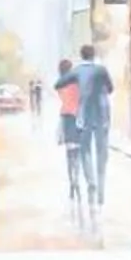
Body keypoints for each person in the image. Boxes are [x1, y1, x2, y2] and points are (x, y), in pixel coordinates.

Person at [66, 42, 116, 206]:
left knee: (85, 149)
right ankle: (101, 190)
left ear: (82, 55)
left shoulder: (77, 71)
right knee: (102, 153)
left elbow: (67, 87)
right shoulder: (101, 70)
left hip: (85, 115)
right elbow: (110, 89)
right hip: (102, 115)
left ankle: (91, 181)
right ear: (93, 55)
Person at [54, 58, 85, 204]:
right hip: (77, 117)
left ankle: (71, 181)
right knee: (77, 151)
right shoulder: (76, 83)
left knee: (68, 152)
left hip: (66, 117)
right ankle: (77, 176)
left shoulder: (61, 85)